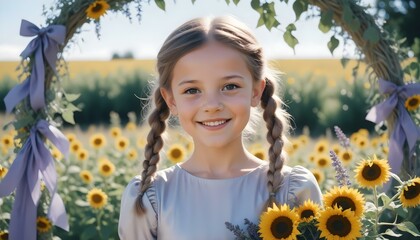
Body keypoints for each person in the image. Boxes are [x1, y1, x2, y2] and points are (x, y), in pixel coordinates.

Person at [118, 15, 322, 240]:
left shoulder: (292, 191)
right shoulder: (150, 199)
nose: (212, 106)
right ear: (171, 100)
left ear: (256, 91)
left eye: (230, 86)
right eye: (192, 90)